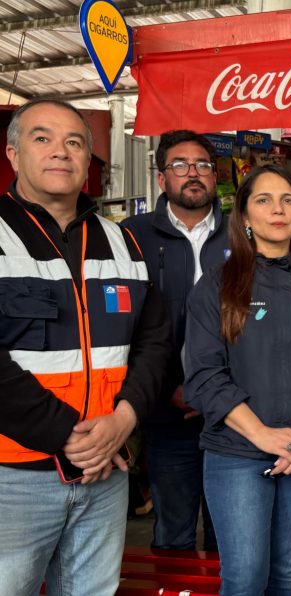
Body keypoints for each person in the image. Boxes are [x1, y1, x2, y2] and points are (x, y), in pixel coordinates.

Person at [0, 99, 170, 594]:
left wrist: (123, 421)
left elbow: (154, 341)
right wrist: (68, 438)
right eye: (42, 138)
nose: (61, 152)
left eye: (74, 141)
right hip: (15, 477)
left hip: (106, 473)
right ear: (13, 153)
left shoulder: (122, 242)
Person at [183, 164, 291, 594]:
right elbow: (204, 376)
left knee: (289, 575)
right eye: (263, 200)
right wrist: (263, 435)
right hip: (237, 453)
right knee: (244, 580)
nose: (276, 209)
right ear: (243, 216)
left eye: (288, 200)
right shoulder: (217, 288)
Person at [122, 129, 227, 551]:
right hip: (166, 413)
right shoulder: (130, 236)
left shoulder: (245, 233)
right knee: (174, 534)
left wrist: (214, 391)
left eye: (202, 165)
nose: (193, 174)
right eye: (180, 165)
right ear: (162, 178)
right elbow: (127, 327)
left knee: (233, 535)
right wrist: (168, 390)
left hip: (235, 414)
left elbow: (262, 324)